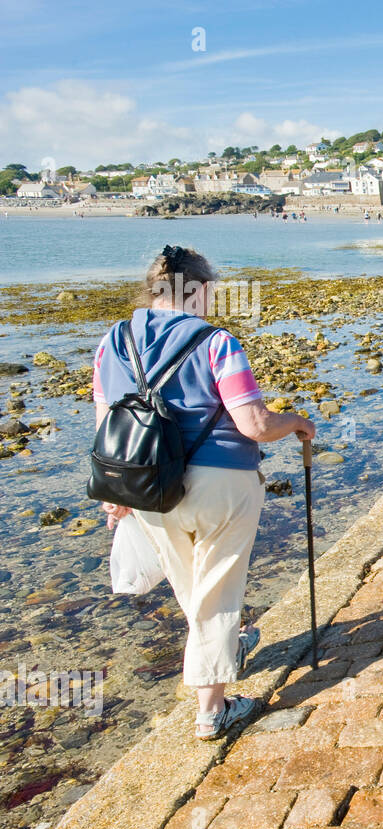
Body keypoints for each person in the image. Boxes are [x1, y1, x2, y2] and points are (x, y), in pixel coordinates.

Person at [94, 245, 316, 739]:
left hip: (147, 483)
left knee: (191, 585)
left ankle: (230, 646)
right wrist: (298, 421)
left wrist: (116, 496)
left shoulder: (112, 342)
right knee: (216, 588)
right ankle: (212, 710)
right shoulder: (216, 342)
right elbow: (254, 424)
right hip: (221, 481)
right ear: (199, 290)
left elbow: (107, 425)